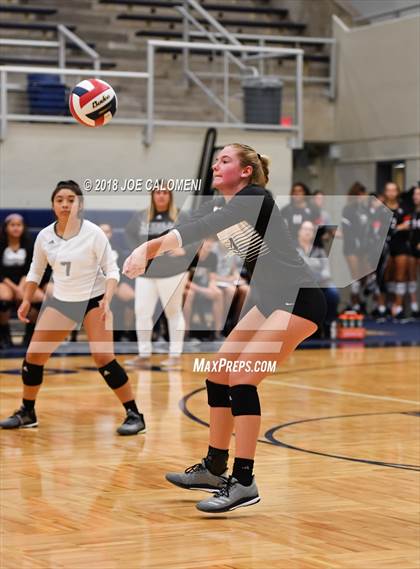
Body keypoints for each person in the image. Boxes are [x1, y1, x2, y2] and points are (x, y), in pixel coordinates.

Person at [123, 143, 326, 513]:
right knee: (218, 374)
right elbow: (193, 227)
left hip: (299, 298)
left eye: (225, 160)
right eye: (216, 160)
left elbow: (203, 226)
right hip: (269, 299)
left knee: (243, 378)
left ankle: (244, 481)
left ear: (246, 171)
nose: (217, 165)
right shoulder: (226, 205)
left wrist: (149, 248)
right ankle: (215, 468)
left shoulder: (255, 196)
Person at [0, 180, 145, 435]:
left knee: (103, 358)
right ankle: (27, 411)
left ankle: (134, 414)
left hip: (94, 299)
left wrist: (107, 299)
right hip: (62, 302)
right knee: (34, 356)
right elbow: (36, 271)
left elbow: (111, 269)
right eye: (60, 200)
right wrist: (25, 300)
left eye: (71, 199)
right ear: (53, 205)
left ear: (80, 204)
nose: (65, 204)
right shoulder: (45, 235)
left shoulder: (93, 233)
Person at [125, 185, 192, 370]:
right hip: (146, 273)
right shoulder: (141, 216)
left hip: (173, 272)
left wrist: (186, 251)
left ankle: (175, 356)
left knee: (173, 312)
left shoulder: (181, 216)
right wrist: (137, 252)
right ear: (152, 195)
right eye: (157, 192)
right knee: (142, 312)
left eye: (165, 192)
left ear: (170, 196)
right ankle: (144, 355)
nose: (161, 196)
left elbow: (196, 235)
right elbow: (129, 234)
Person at [0, 214, 45, 348]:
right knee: (4, 298)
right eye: (12, 225)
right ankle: (4, 334)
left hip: (24, 280)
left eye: (19, 225)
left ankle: (30, 333)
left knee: (40, 298)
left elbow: (30, 268)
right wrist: (16, 289)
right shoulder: (1, 243)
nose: (16, 228)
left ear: (23, 227)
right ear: (6, 227)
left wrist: (21, 288)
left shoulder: (29, 243)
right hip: (5, 281)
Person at [296, 221, 339, 337]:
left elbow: (326, 272)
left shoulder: (319, 251)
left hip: (319, 283)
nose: (307, 232)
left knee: (333, 292)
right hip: (299, 286)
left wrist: (317, 280)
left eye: (310, 230)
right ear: (299, 232)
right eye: (305, 229)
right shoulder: (292, 249)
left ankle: (327, 324)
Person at [183, 238, 224, 341]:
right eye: (207, 240)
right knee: (189, 295)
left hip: (202, 286)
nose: (210, 243)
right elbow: (185, 281)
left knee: (218, 293)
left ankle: (217, 331)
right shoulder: (189, 255)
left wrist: (212, 287)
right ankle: (186, 331)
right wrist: (203, 290)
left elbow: (212, 278)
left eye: (212, 241)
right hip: (188, 286)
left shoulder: (213, 256)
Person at [382, 182, 412, 320]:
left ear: (397, 192)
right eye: (388, 190)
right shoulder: (380, 207)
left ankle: (398, 306)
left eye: (394, 190)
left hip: (400, 244)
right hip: (385, 245)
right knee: (387, 276)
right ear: (385, 192)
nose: (391, 193)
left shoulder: (404, 207)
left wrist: (397, 228)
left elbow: (407, 224)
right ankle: (388, 305)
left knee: (400, 275)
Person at [341, 182, 370, 313]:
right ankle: (354, 302)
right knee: (355, 276)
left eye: (363, 194)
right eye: (358, 194)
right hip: (351, 246)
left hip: (365, 246)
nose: (361, 197)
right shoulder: (348, 209)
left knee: (364, 275)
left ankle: (360, 299)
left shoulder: (367, 209)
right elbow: (347, 229)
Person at [408, 186, 420, 318]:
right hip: (412, 248)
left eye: (418, 194)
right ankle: (414, 308)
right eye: (414, 194)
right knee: (412, 278)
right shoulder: (412, 212)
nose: (415, 196)